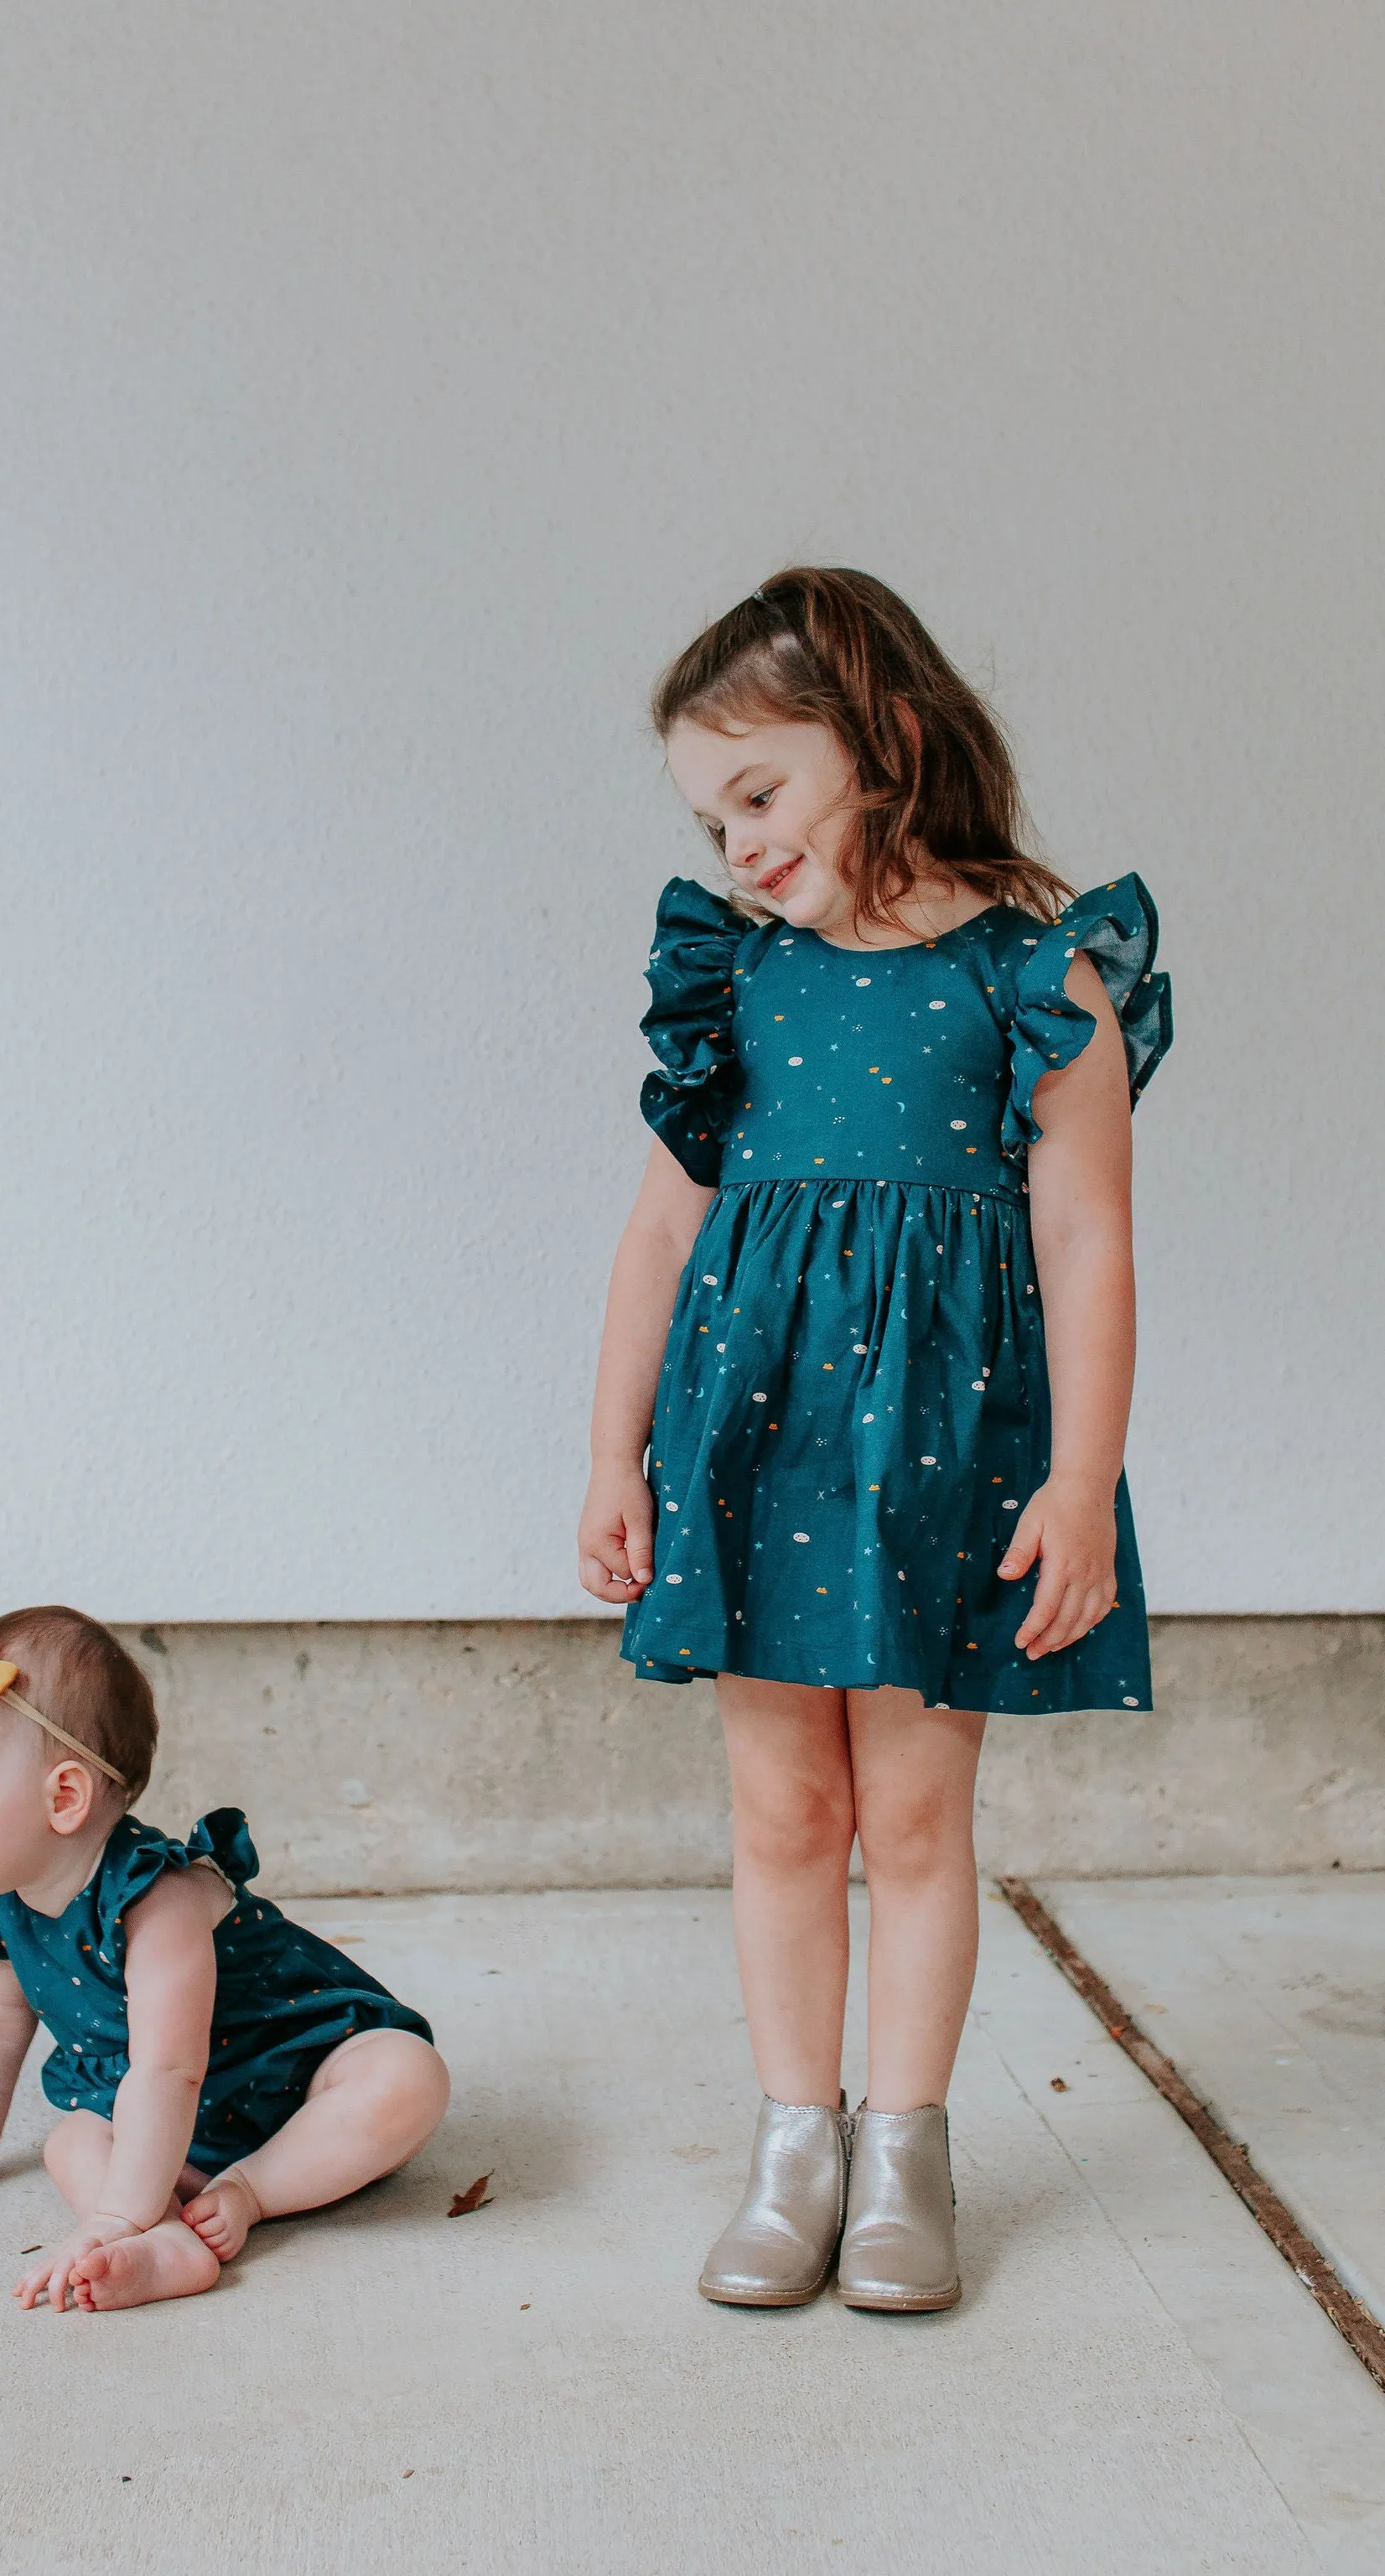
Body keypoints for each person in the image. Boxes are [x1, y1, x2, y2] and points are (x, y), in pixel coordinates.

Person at [578, 569, 1171, 2313]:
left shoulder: (1030, 975)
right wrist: (612, 1455)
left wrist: (1079, 1484)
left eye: (760, 793)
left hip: (944, 1451)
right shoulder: (739, 980)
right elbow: (657, 1240)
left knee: (910, 1815)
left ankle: (904, 2147)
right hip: (755, 1443)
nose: (740, 845)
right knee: (781, 1806)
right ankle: (794, 2145)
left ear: (885, 738)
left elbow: (1087, 1243)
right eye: (712, 814)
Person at [0, 1607, 449, 2312]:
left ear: (64, 1797)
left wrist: (113, 2214)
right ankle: (165, 2241)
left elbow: (171, 2067)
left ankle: (251, 2192)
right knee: (72, 2140)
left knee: (408, 2076)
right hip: (157, 2118)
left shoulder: (157, 1901)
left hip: (292, 2077)